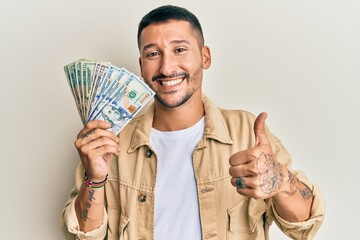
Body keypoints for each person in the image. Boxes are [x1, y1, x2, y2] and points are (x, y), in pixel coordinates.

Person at [61, 5, 325, 240]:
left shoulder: (247, 132)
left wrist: (279, 180)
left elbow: (304, 226)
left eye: (179, 50)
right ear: (141, 66)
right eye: (153, 54)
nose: (166, 68)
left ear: (205, 57)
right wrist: (94, 179)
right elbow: (83, 236)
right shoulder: (111, 140)